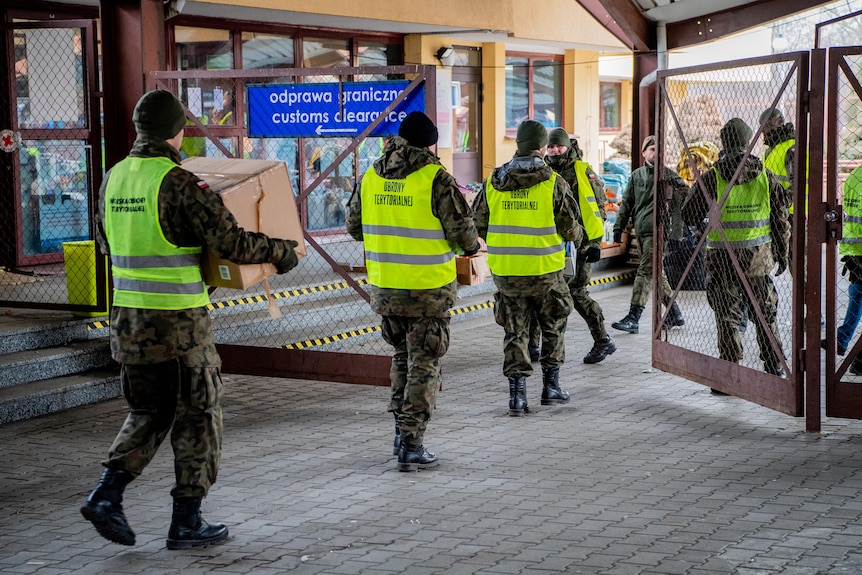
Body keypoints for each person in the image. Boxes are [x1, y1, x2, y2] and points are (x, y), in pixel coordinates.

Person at [80, 90, 301, 549]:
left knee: (150, 409)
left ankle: (106, 495)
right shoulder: (178, 182)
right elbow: (233, 243)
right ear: (176, 130)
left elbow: (106, 245)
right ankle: (187, 522)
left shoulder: (114, 177)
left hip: (128, 324)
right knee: (200, 416)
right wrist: (280, 252)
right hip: (178, 328)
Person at [346, 111, 479, 472]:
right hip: (427, 291)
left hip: (386, 289)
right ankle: (412, 443)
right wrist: (469, 246)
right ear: (430, 143)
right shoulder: (435, 178)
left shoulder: (371, 175)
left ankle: (398, 434)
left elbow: (353, 228)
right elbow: (464, 234)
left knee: (402, 359)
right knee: (425, 363)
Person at [472, 120, 584, 416]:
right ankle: (551, 387)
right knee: (554, 324)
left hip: (507, 271)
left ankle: (517, 397)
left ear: (518, 144)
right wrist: (579, 236)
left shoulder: (493, 181)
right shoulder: (553, 182)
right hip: (545, 270)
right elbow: (570, 228)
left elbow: (478, 224)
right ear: (543, 147)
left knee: (515, 331)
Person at [681, 118, 791, 378]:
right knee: (764, 314)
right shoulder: (766, 176)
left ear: (724, 141)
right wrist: (782, 254)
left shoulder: (711, 177)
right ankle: (775, 366)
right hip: (758, 260)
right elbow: (780, 219)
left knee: (727, 316)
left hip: (722, 260)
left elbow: (688, 215)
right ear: (748, 141)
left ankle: (730, 372)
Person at [543, 128, 616, 363]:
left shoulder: (582, 170)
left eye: (559, 146)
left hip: (581, 244)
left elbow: (598, 207)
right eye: (551, 146)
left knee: (577, 293)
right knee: (546, 293)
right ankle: (540, 346)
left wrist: (595, 242)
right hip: (551, 244)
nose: (555, 150)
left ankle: (603, 340)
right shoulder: (543, 171)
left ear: (568, 146)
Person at [612, 135, 688, 334]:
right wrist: (618, 227)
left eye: (659, 149)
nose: (655, 153)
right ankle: (674, 314)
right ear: (644, 152)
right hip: (643, 232)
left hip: (660, 233)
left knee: (645, 273)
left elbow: (680, 209)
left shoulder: (671, 176)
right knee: (656, 274)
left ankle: (633, 318)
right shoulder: (636, 176)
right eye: (651, 149)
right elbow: (627, 203)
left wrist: (675, 236)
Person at [835, 164, 862, 374]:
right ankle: (858, 358)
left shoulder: (854, 175)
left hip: (853, 249)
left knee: (857, 296)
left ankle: (843, 339)